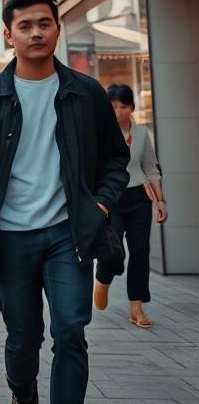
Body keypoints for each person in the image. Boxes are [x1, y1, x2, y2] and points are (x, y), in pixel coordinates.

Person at [0, 0, 130, 404]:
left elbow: (114, 160)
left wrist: (99, 204)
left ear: (57, 29)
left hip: (68, 234)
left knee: (70, 328)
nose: (36, 33)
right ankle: (24, 394)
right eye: (25, 26)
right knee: (22, 337)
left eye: (44, 24)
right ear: (7, 36)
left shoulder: (86, 94)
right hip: (10, 238)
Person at [93, 83, 167, 328]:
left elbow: (150, 167)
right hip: (110, 199)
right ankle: (102, 280)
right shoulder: (100, 133)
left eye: (123, 106)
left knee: (140, 251)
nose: (117, 111)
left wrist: (160, 201)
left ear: (132, 108)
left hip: (138, 198)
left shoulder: (142, 133)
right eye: (113, 106)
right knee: (114, 252)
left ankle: (137, 307)